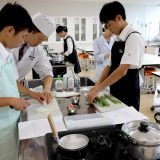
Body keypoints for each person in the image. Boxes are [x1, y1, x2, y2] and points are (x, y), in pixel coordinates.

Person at [87, 1, 145, 111]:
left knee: (126, 120)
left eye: (109, 25)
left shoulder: (133, 37)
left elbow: (122, 70)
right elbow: (109, 66)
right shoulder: (118, 39)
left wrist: (98, 89)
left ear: (119, 18)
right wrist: (96, 86)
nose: (108, 29)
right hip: (116, 89)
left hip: (128, 91)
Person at [0, 2, 33, 160]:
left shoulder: (7, 53)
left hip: (12, 122)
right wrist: (12, 100)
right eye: (23, 36)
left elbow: (13, 83)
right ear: (9, 30)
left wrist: (32, 94)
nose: (23, 41)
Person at [12, 13, 55, 104]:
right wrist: (32, 94)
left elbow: (47, 72)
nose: (40, 43)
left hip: (16, 91)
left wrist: (47, 90)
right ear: (30, 31)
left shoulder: (37, 49)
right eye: (40, 39)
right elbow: (7, 78)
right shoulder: (9, 44)